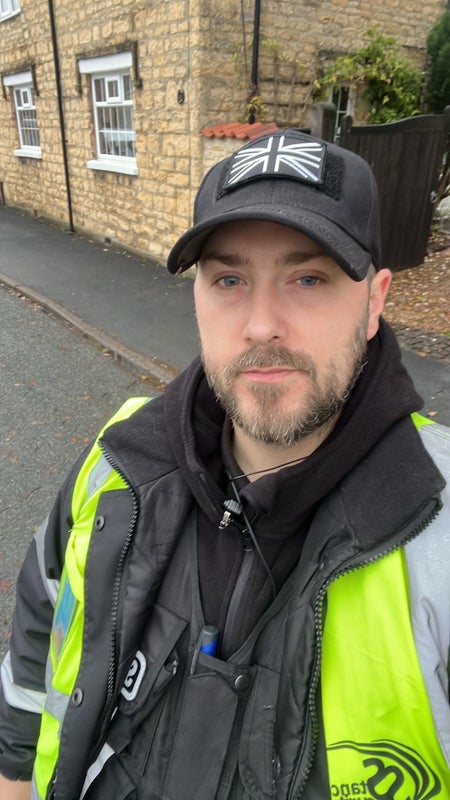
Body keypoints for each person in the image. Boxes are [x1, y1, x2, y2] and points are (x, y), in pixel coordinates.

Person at [0, 129, 449, 800]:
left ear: (374, 302)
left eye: (308, 278)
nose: (261, 325)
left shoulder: (436, 527)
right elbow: (41, 625)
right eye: (230, 280)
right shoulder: (120, 461)